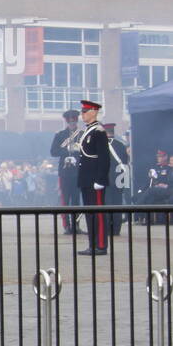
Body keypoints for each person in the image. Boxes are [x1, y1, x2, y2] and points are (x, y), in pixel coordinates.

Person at [75, 100, 110, 256]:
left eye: (85, 111)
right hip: (86, 179)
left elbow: (104, 158)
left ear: (94, 112)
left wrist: (100, 179)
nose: (82, 114)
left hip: (95, 179)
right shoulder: (87, 131)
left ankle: (101, 245)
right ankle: (92, 244)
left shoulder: (99, 131)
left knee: (98, 214)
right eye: (82, 111)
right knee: (90, 213)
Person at [50, 109, 82, 234]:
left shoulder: (82, 134)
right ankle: (67, 226)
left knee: (76, 201)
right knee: (65, 200)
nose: (72, 123)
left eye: (74, 121)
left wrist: (77, 150)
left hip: (78, 171)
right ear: (67, 122)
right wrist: (66, 150)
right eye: (70, 121)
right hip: (65, 172)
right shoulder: (60, 135)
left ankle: (76, 225)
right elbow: (53, 152)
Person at [102, 123, 130, 239]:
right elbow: (125, 161)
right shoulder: (121, 145)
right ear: (113, 131)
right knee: (118, 203)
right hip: (119, 178)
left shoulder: (101, 146)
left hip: (107, 178)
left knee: (108, 204)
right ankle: (116, 229)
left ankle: (108, 228)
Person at [135, 150, 172, 224]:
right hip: (157, 190)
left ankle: (136, 208)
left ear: (165, 157)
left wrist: (165, 185)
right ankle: (148, 220)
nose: (159, 158)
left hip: (167, 190)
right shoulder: (155, 167)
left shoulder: (170, 168)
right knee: (149, 198)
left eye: (161, 157)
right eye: (158, 157)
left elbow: (169, 181)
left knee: (150, 191)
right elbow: (150, 181)